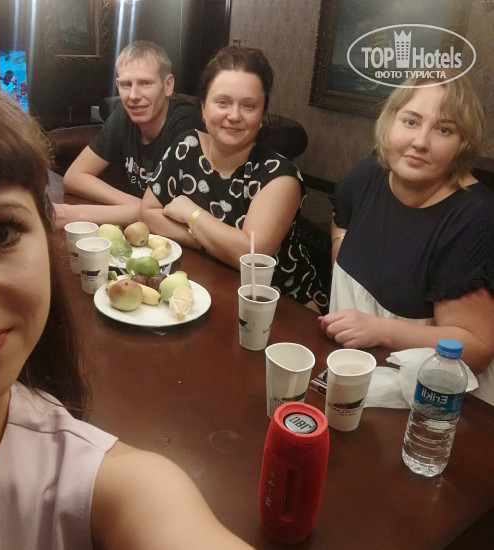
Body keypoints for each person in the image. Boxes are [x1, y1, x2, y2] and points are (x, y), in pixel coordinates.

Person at [0, 68, 253, 549]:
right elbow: (140, 207)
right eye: (125, 84)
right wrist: (149, 210)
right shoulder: (161, 141)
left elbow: (249, 250)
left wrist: (183, 214)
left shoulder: (107, 485)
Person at [319, 72, 494, 405]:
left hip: (435, 405)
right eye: (411, 121)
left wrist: (380, 330)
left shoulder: (473, 218)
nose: (421, 142)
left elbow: (477, 348)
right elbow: (340, 220)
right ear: (390, 122)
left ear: (463, 143)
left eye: (444, 130)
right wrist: (340, 250)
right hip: (354, 373)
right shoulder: (367, 175)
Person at [139, 46, 328, 312]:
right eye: (223, 102)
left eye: (249, 106)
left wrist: (191, 214)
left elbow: (250, 257)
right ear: (203, 108)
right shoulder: (187, 146)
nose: (234, 115)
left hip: (279, 306)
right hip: (209, 285)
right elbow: (148, 213)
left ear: (261, 115)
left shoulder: (279, 176)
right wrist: (215, 242)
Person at [54, 41, 203, 228]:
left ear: (168, 85)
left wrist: (74, 214)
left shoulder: (187, 125)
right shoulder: (124, 115)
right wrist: (143, 206)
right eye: (126, 84)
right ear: (118, 85)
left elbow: (176, 214)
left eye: (145, 83)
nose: (133, 96)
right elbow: (73, 178)